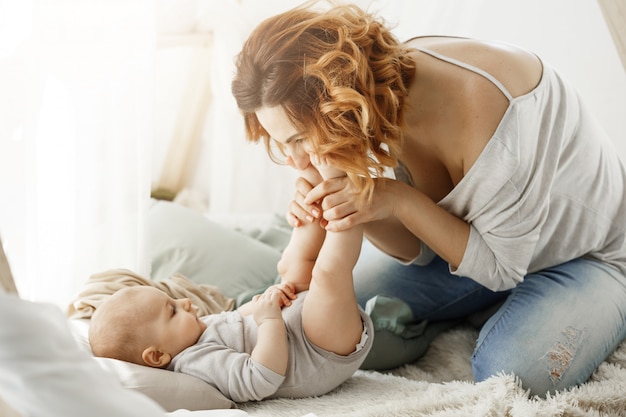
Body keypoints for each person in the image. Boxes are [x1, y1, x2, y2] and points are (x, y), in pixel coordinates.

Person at [230, 1, 626, 397]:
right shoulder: (384, 94)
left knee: (516, 375)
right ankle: (467, 312)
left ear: (335, 103)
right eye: (285, 144)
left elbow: (501, 269)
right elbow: (418, 248)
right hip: (483, 248)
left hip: (588, 256)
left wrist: (394, 198)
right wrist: (354, 202)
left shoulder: (496, 116)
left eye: (299, 139)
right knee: (314, 315)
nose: (297, 162)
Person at [89, 157, 374, 403]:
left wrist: (268, 299)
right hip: (317, 352)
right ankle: (347, 195)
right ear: (156, 356)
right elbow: (261, 378)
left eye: (174, 300)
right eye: (172, 310)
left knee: (291, 264)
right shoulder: (195, 363)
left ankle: (314, 183)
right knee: (327, 273)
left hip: (299, 324)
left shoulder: (197, 333)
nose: (185, 302)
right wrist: (270, 320)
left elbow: (239, 320)